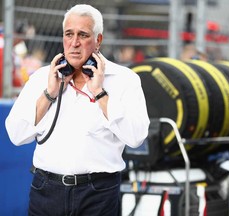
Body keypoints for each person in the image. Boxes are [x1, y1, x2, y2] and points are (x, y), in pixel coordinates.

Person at [5, 4, 150, 216]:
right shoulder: (41, 78)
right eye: (69, 34)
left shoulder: (125, 80)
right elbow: (16, 135)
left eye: (83, 35)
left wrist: (100, 94)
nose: (74, 43)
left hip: (98, 194)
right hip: (46, 191)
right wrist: (49, 94)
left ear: (98, 40)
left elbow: (136, 137)